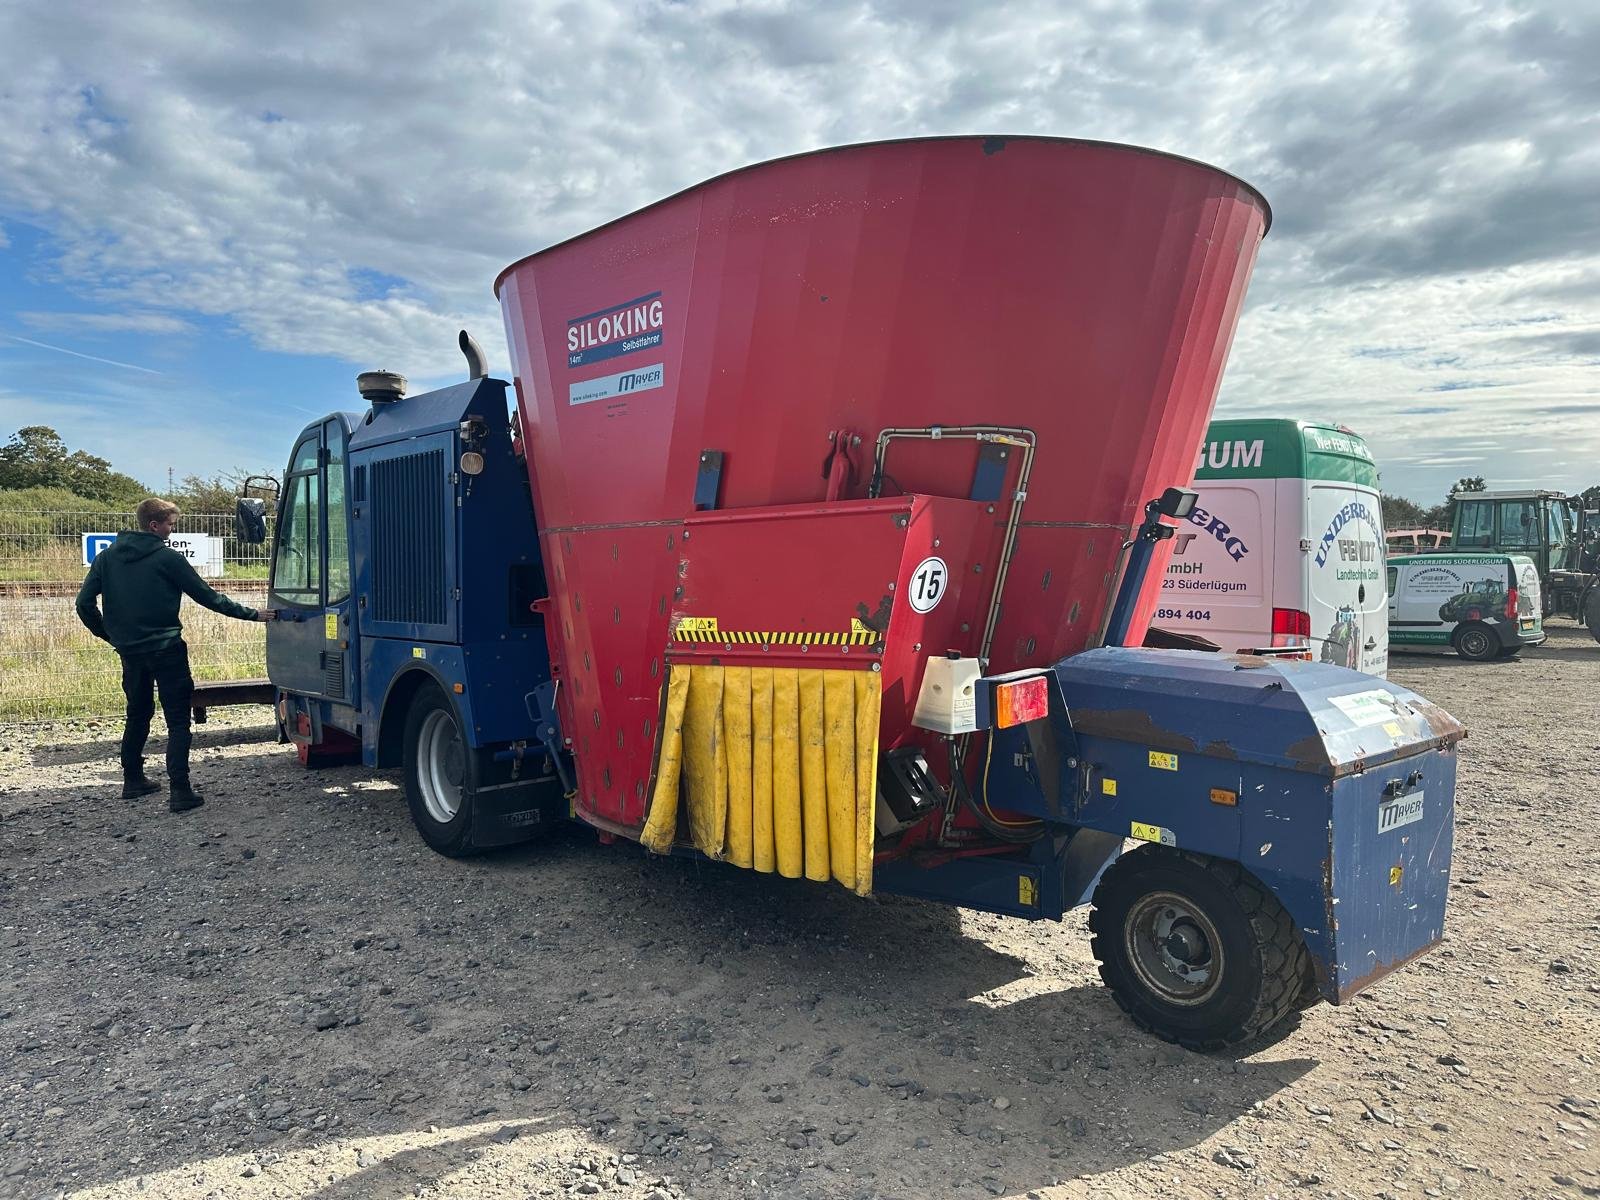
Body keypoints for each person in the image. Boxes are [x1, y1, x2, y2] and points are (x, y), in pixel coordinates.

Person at [75, 498, 276, 812]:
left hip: (130, 652)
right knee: (178, 720)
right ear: (154, 525)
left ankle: (133, 781)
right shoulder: (167, 558)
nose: (172, 530)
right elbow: (207, 596)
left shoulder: (106, 559)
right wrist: (254, 615)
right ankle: (180, 791)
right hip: (167, 649)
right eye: (170, 524)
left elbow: (83, 605)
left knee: (137, 713)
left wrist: (110, 635)